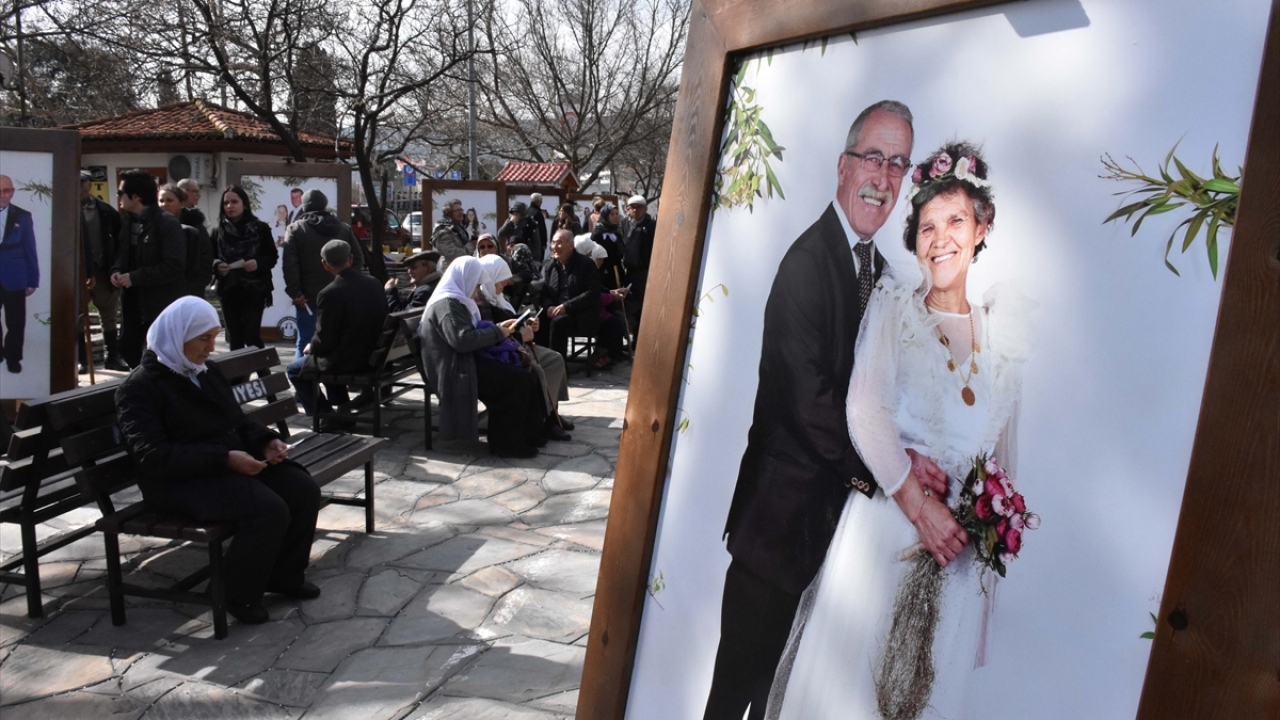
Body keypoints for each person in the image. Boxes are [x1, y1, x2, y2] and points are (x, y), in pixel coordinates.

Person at [768, 142, 1030, 720]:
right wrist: (919, 505)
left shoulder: (1003, 331)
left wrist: (985, 564)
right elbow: (864, 412)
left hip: (955, 565)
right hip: (885, 540)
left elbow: (1004, 466)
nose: (941, 239)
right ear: (913, 238)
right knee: (854, 695)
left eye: (956, 220)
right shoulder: (895, 306)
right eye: (927, 226)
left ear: (982, 227)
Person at [703, 100, 917, 720]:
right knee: (734, 699)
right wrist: (890, 475)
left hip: (825, 536)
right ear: (843, 166)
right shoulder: (805, 263)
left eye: (897, 164)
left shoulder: (880, 272)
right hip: (775, 532)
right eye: (873, 157)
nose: (883, 176)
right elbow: (810, 405)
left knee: (779, 700)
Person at [115, 296, 322, 625]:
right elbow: (152, 455)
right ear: (177, 336)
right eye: (204, 339)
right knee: (267, 509)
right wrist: (224, 458)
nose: (211, 347)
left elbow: (235, 421)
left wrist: (266, 441)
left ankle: (283, 576)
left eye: (214, 337)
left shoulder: (205, 371)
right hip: (178, 482)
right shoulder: (139, 388)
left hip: (221, 466)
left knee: (302, 489)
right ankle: (233, 594)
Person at [418, 256, 547, 458]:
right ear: (464, 279)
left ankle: (530, 435)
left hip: (465, 360)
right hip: (455, 368)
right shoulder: (447, 305)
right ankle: (506, 444)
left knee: (525, 373)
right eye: (476, 284)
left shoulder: (459, 300)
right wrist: (498, 333)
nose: (477, 290)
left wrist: (501, 329)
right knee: (515, 380)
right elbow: (462, 341)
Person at [476, 253, 572, 440]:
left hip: (515, 345)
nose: (503, 286)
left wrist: (527, 324)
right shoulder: (480, 302)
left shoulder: (498, 298)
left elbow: (509, 320)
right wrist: (520, 332)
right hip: (504, 351)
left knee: (554, 359)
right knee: (536, 368)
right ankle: (544, 419)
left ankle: (551, 412)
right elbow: (494, 333)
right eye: (500, 282)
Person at [287, 240, 387, 418]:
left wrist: (312, 346)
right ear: (350, 258)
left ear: (325, 265)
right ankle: (342, 407)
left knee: (295, 369)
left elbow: (325, 339)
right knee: (326, 357)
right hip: (374, 356)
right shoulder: (374, 283)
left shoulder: (329, 293)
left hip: (348, 361)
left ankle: (325, 415)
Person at [112, 170, 188, 369]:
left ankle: (157, 390)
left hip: (159, 301)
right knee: (127, 346)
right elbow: (122, 254)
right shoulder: (127, 221)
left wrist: (135, 278)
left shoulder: (166, 223)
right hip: (132, 299)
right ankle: (146, 384)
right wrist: (117, 270)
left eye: (121, 193)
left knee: (160, 353)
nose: (118, 197)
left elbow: (174, 266)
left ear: (136, 197)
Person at [281, 188, 366, 355]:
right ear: (325, 206)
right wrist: (347, 282)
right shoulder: (343, 228)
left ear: (304, 208)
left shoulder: (296, 229)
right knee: (339, 339)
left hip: (308, 297)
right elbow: (358, 258)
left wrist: (295, 292)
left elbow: (290, 264)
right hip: (342, 295)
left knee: (306, 340)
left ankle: (302, 377)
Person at [211, 185, 277, 350]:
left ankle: (264, 373)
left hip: (254, 289)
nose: (229, 206)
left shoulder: (260, 228)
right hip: (229, 289)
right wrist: (217, 265)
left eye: (234, 202)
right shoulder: (218, 231)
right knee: (235, 338)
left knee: (251, 335)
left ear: (245, 204)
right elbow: (208, 258)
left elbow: (272, 257)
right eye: (226, 203)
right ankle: (238, 376)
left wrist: (257, 263)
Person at [80, 172, 126, 371]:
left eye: (84, 185)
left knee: (108, 315)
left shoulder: (106, 211)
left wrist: (115, 267)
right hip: (77, 274)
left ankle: (113, 357)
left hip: (102, 271)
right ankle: (82, 359)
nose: (82, 189)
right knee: (78, 317)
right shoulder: (63, 210)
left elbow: (118, 242)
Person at [536, 229, 602, 359]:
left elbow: (593, 293)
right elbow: (545, 293)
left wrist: (566, 306)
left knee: (558, 323)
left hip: (581, 314)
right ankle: (542, 362)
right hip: (556, 311)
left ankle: (558, 367)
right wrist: (549, 306)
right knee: (538, 321)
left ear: (571, 245)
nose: (555, 247)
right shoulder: (551, 266)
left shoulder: (586, 264)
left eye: (559, 243)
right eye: (553, 243)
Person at [0, 174, 38, 375]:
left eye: (7, 190)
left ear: (12, 192)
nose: (2, 195)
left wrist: (32, 280)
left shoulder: (23, 216)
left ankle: (13, 358)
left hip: (15, 276)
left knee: (16, 322)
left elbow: (30, 248)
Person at [158, 184, 213, 300]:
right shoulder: (155, 227)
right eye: (161, 200)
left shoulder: (195, 227)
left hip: (190, 288)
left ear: (182, 203)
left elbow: (206, 256)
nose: (164, 204)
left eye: (169, 200)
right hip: (163, 288)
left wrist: (198, 284)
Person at [622, 195, 655, 328]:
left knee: (641, 303)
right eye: (633, 207)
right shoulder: (625, 223)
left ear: (645, 209)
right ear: (628, 209)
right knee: (628, 302)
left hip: (643, 270)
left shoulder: (651, 225)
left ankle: (639, 336)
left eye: (639, 208)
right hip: (628, 269)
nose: (636, 211)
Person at [590, 203, 626, 289]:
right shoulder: (598, 232)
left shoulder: (617, 231)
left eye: (617, 214)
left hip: (616, 269)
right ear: (605, 215)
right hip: (602, 270)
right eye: (612, 214)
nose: (615, 216)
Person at [431, 199, 472, 266]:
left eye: (461, 210)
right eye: (457, 211)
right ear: (448, 213)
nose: (461, 213)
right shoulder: (442, 231)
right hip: (449, 269)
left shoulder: (459, 228)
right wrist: (471, 245)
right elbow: (455, 255)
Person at [526, 192, 549, 260]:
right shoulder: (538, 213)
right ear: (538, 201)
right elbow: (542, 229)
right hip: (538, 243)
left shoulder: (527, 211)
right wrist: (544, 243)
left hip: (527, 242)